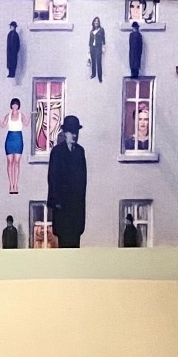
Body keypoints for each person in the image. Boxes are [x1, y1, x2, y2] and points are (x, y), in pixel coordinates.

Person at [47, 115, 87, 248]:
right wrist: (56, 204)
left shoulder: (80, 152)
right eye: (71, 131)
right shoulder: (57, 152)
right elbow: (52, 179)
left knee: (75, 247)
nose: (74, 135)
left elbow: (83, 183)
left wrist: (81, 208)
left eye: (76, 131)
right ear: (65, 133)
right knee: (64, 247)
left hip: (76, 212)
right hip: (62, 211)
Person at [0, 98, 29, 193]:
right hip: (10, 138)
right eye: (13, 104)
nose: (15, 106)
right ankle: (10, 184)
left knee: (17, 162)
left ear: (18, 106)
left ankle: (16, 184)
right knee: (10, 162)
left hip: (18, 138)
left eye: (16, 104)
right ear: (11, 105)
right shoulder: (8, 115)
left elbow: (26, 124)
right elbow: (3, 125)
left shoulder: (21, 115)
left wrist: (30, 115)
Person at [88, 16, 106, 82]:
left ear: (99, 23)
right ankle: (93, 74)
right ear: (93, 23)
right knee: (93, 61)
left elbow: (103, 38)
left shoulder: (101, 30)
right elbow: (90, 41)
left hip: (98, 48)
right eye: (95, 21)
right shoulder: (91, 31)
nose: (96, 22)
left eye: (97, 21)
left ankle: (100, 77)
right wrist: (89, 50)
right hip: (92, 48)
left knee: (98, 62)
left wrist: (103, 47)